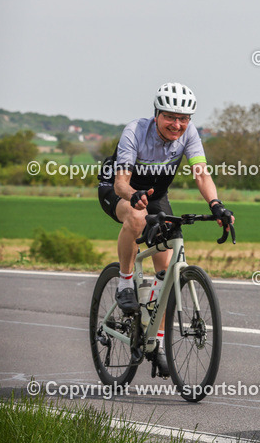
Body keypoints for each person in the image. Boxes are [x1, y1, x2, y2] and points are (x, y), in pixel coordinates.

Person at [97, 82, 234, 376]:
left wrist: (216, 205)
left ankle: (156, 344)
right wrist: (133, 195)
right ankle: (123, 282)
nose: (177, 124)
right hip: (120, 190)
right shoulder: (135, 131)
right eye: (170, 117)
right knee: (136, 217)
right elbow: (121, 182)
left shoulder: (190, 135)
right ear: (157, 114)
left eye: (183, 118)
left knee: (167, 275)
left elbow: (201, 174)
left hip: (155, 197)